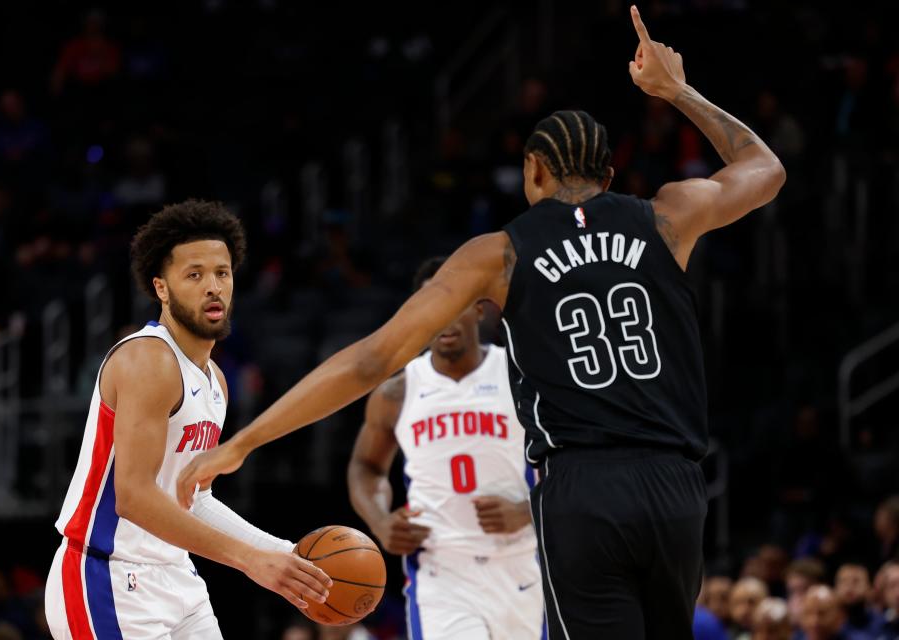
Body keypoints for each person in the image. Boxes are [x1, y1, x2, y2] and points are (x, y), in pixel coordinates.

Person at [177, 7, 785, 639]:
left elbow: (369, 361)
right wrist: (676, 91)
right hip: (676, 483)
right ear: (609, 176)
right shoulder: (670, 215)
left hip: (580, 486)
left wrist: (244, 441)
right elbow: (767, 169)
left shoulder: (499, 253)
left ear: (534, 173)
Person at [43, 200, 330, 639]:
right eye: (194, 275)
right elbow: (134, 497)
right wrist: (249, 559)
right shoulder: (148, 359)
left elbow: (192, 498)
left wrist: (284, 555)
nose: (213, 286)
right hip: (107, 575)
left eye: (222, 273)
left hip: (176, 575)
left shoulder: (215, 380)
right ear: (161, 287)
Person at [347, 257, 543, 639]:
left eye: (451, 303)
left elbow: (574, 462)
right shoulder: (397, 391)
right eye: (431, 308)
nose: (441, 318)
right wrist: (380, 521)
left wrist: (529, 510)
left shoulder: (521, 376)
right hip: (441, 571)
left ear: (478, 306)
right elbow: (365, 466)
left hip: (523, 563)